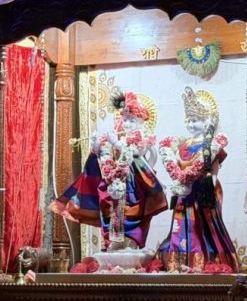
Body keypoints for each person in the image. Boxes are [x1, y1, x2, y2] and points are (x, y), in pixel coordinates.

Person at [51, 90, 167, 251]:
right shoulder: (118, 137)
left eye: (132, 120)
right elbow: (106, 158)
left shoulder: (142, 137)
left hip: (134, 184)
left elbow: (136, 152)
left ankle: (131, 241)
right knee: (110, 209)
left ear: (141, 122)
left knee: (132, 212)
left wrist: (116, 143)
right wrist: (97, 146)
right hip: (114, 181)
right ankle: (114, 241)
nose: (127, 124)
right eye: (125, 119)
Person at [156, 87, 239, 272]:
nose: (191, 125)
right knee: (181, 224)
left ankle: (204, 260)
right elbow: (177, 166)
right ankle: (178, 261)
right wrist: (179, 180)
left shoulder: (211, 145)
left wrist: (210, 183)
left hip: (203, 191)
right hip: (184, 192)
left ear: (206, 121)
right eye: (189, 121)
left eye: (196, 121)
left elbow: (214, 170)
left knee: (203, 225)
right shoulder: (182, 145)